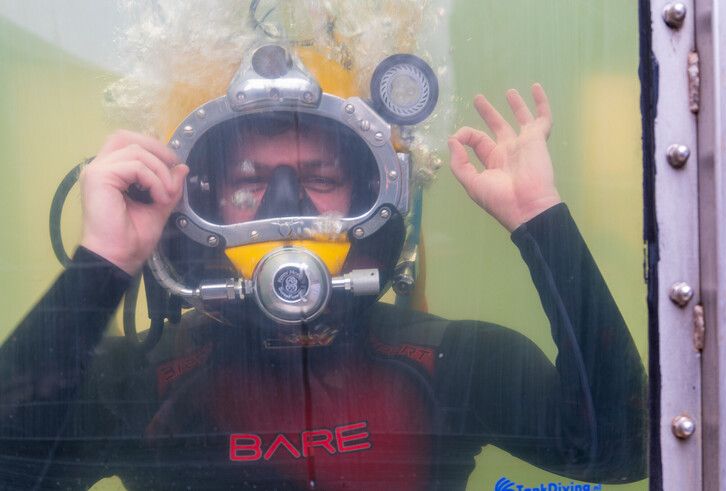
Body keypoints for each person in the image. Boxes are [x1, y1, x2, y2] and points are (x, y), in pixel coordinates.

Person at [0, 45, 646, 490]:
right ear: (198, 201)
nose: (288, 209)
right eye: (248, 182)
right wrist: (105, 260)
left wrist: (541, 217)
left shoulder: (456, 360)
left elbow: (621, 450)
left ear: (372, 191)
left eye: (322, 177)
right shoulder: (137, 379)